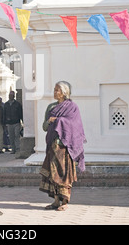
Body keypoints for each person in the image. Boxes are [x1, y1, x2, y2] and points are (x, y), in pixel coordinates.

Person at [40, 81, 86, 211]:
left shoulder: (72, 107)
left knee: (64, 174)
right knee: (52, 175)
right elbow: (44, 127)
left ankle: (64, 202)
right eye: (54, 90)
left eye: (57, 90)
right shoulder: (51, 107)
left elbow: (75, 126)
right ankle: (55, 201)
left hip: (65, 147)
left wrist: (60, 121)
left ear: (64, 92)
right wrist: (49, 121)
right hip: (52, 146)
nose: (54, 92)